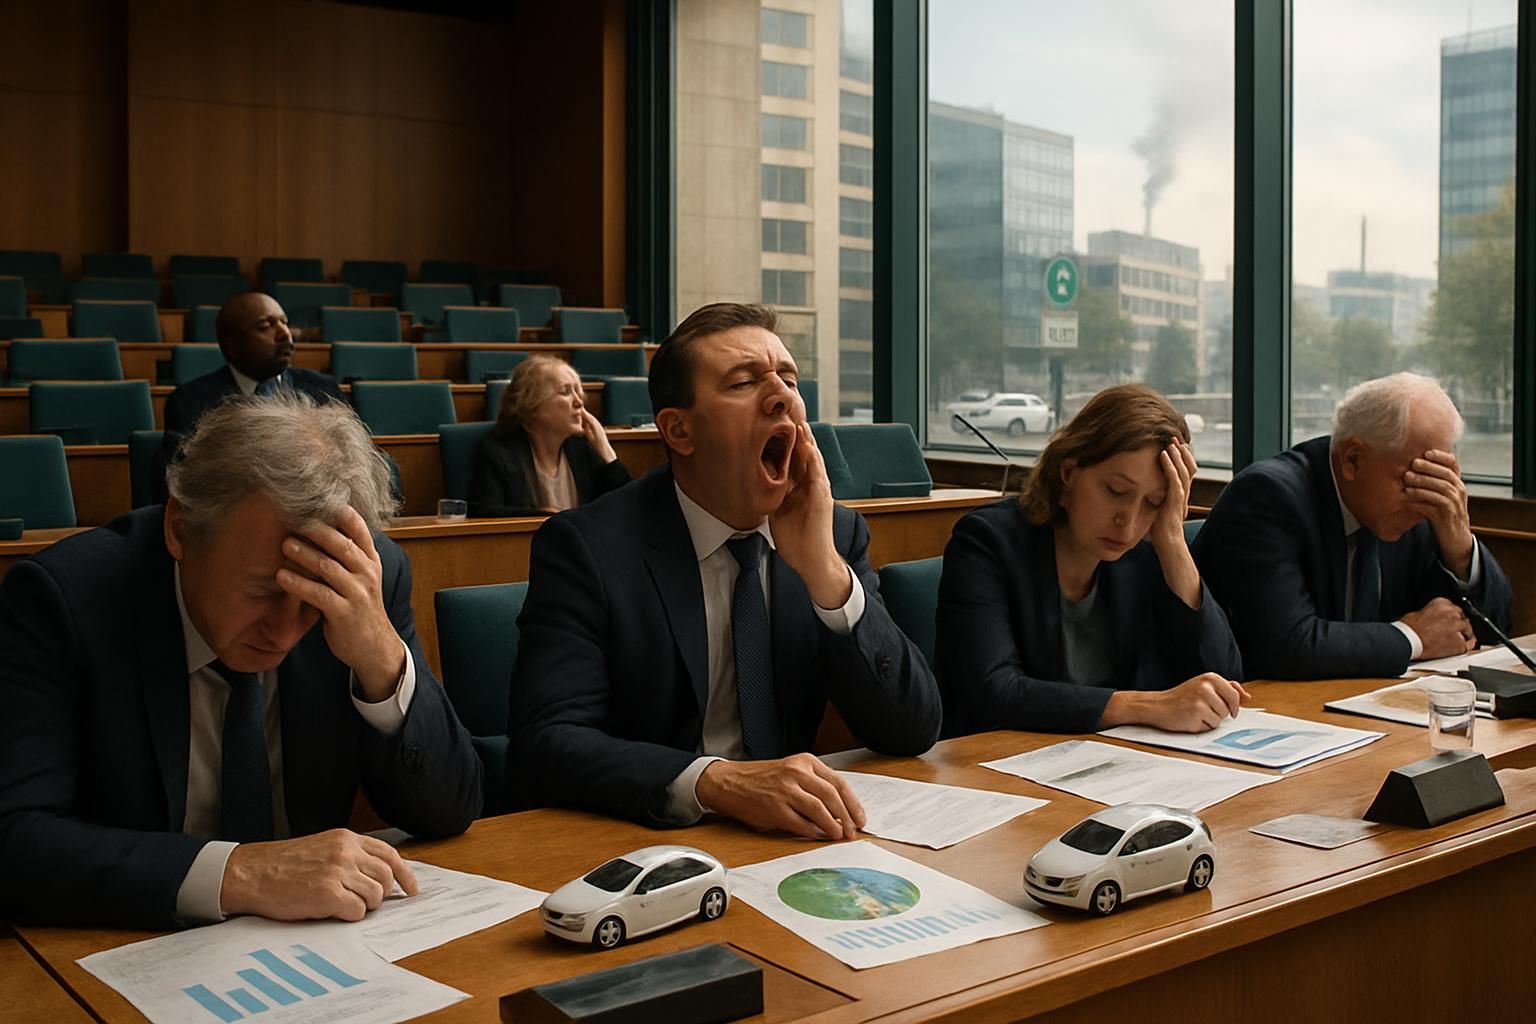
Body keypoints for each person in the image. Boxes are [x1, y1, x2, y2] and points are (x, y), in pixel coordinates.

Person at [0, 393, 482, 929]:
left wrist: (379, 654)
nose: (285, 632)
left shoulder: (363, 581)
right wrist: (242, 873)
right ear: (180, 529)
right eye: (262, 592)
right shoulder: (64, 601)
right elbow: (15, 839)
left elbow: (449, 809)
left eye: (312, 602)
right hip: (124, 940)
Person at [508, 302, 941, 837]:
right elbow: (546, 743)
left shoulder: (834, 533)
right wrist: (716, 782)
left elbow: (911, 728)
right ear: (679, 431)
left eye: (789, 380)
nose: (783, 397)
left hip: (793, 841)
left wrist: (826, 571)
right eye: (743, 382)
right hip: (648, 839)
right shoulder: (588, 548)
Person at [937, 385, 1246, 737]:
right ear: (1069, 472)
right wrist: (1143, 706)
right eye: (1116, 491)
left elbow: (1224, 681)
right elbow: (993, 692)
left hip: (1114, 758)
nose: (1128, 522)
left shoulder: (1147, 549)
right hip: (998, 759)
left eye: (1153, 502)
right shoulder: (987, 541)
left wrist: (1173, 540)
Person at [1193, 372, 1513, 680]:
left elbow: (1492, 631)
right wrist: (1412, 638)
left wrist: (1459, 546)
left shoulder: (1423, 506)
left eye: (1438, 477)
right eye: (1413, 479)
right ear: (1353, 459)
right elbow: (1286, 644)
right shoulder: (1268, 496)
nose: (1425, 496)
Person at [153, 291, 344, 500]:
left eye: (284, 323)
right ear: (232, 346)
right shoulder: (190, 400)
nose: (285, 334)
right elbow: (180, 481)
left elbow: (350, 461)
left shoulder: (322, 389)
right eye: (265, 326)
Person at [467, 355, 630, 516]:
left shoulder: (583, 446)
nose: (579, 402)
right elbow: (484, 513)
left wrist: (607, 452)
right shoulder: (497, 452)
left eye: (578, 392)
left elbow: (627, 507)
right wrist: (541, 516)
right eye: (565, 392)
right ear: (531, 405)